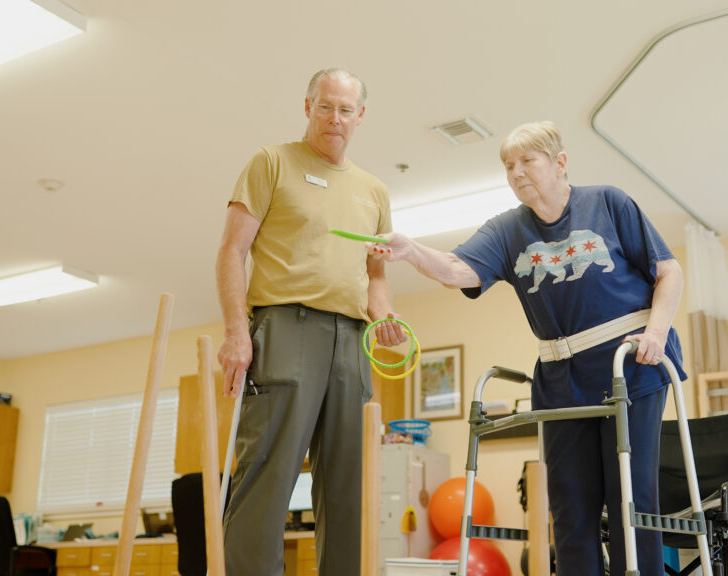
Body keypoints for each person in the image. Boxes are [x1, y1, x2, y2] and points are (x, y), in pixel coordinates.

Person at [367, 121, 685, 576]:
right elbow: (459, 269)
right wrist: (412, 250)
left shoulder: (607, 203)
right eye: (508, 165)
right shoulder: (507, 229)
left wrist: (656, 334)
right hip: (561, 379)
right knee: (569, 508)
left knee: (628, 501)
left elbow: (669, 272)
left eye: (527, 161)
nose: (516, 173)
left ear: (560, 163)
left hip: (630, 366)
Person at [215, 67, 405, 576]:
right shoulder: (271, 162)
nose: (335, 118)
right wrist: (237, 332)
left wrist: (384, 319)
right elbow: (232, 251)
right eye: (325, 106)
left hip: (353, 340)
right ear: (307, 106)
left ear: (360, 116)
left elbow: (376, 277)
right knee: (268, 476)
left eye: (346, 109)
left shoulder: (374, 191)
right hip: (286, 328)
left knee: (350, 485)